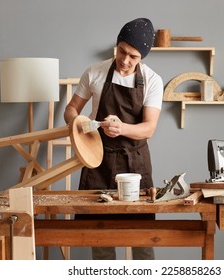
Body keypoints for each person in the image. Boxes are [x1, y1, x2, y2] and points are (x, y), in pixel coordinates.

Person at [64, 18, 163, 260]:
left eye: (134, 56)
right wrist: (80, 128)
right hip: (99, 160)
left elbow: (149, 128)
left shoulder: (152, 81)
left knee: (142, 237)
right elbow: (70, 110)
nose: (125, 60)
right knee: (100, 237)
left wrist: (122, 129)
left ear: (143, 58)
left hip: (135, 163)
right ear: (117, 45)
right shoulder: (95, 72)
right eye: (122, 51)